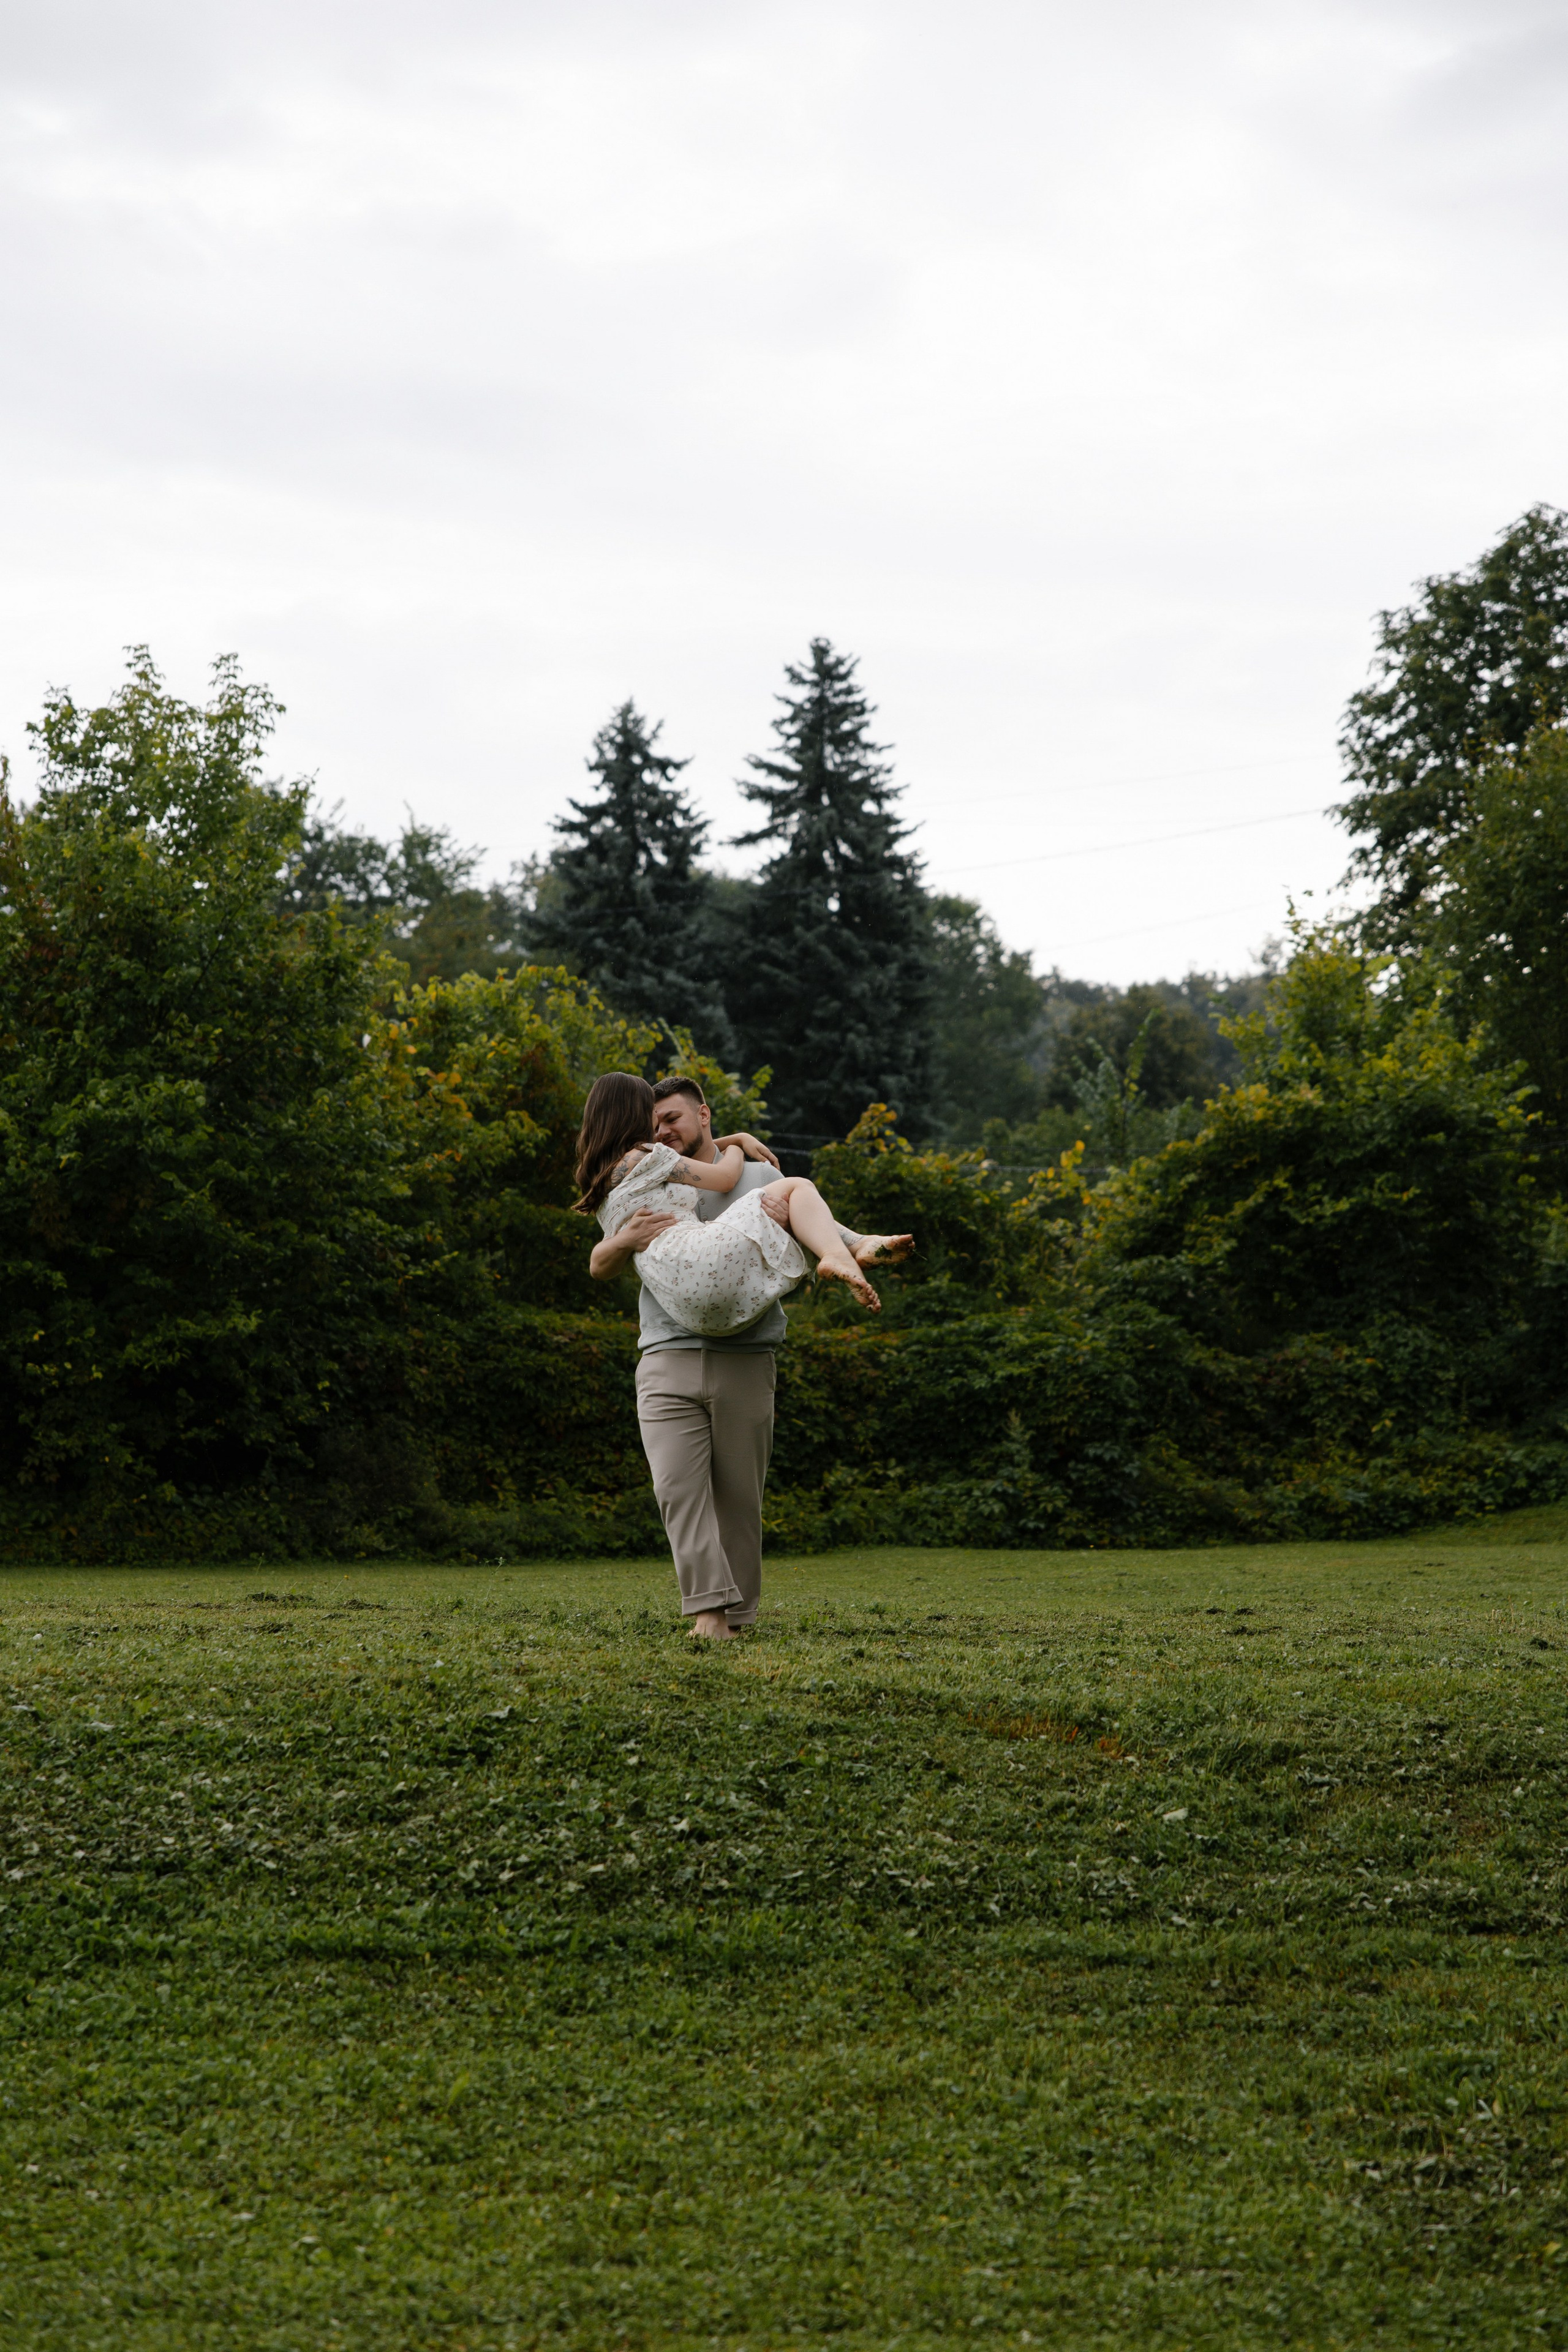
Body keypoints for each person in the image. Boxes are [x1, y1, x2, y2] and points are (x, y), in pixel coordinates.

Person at [585, 1073, 912, 1640]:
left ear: (702, 1114)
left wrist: (734, 1147)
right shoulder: (656, 1168)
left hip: (746, 1356)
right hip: (667, 1355)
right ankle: (708, 1614)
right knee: (678, 1490)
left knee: (739, 1497)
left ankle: (735, 1617)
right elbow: (600, 1259)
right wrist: (623, 1240)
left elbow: (797, 1208)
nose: (663, 1130)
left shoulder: (759, 1174)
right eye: (653, 1121)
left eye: (672, 1120)